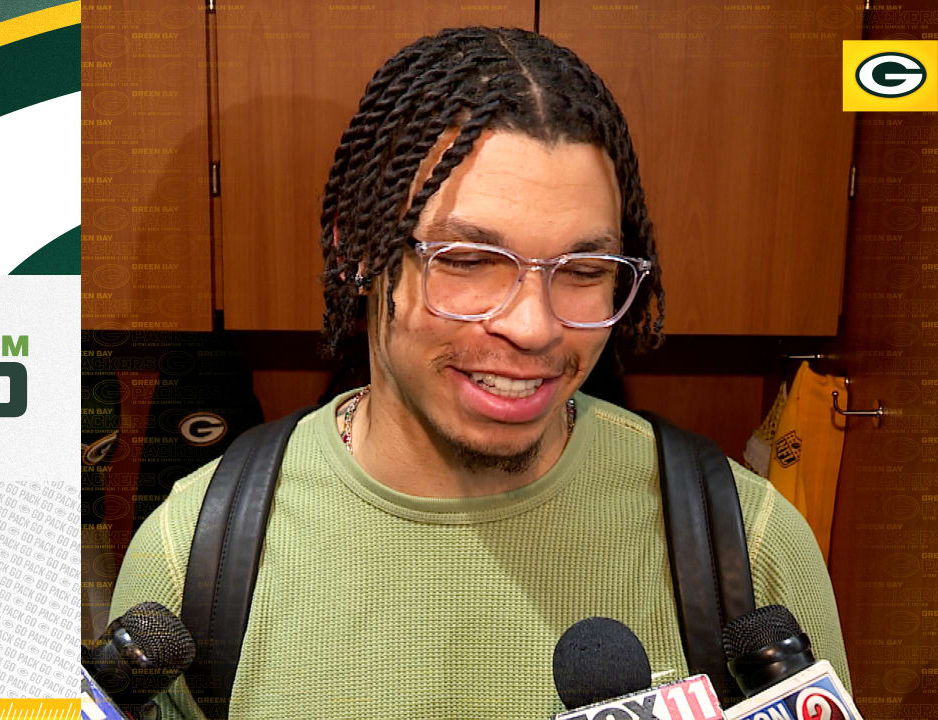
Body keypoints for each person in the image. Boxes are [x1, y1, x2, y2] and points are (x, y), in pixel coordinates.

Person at [107, 26, 850, 719]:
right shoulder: (193, 555)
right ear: (355, 252)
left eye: (584, 269)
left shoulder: (745, 546)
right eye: (466, 261)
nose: (533, 326)